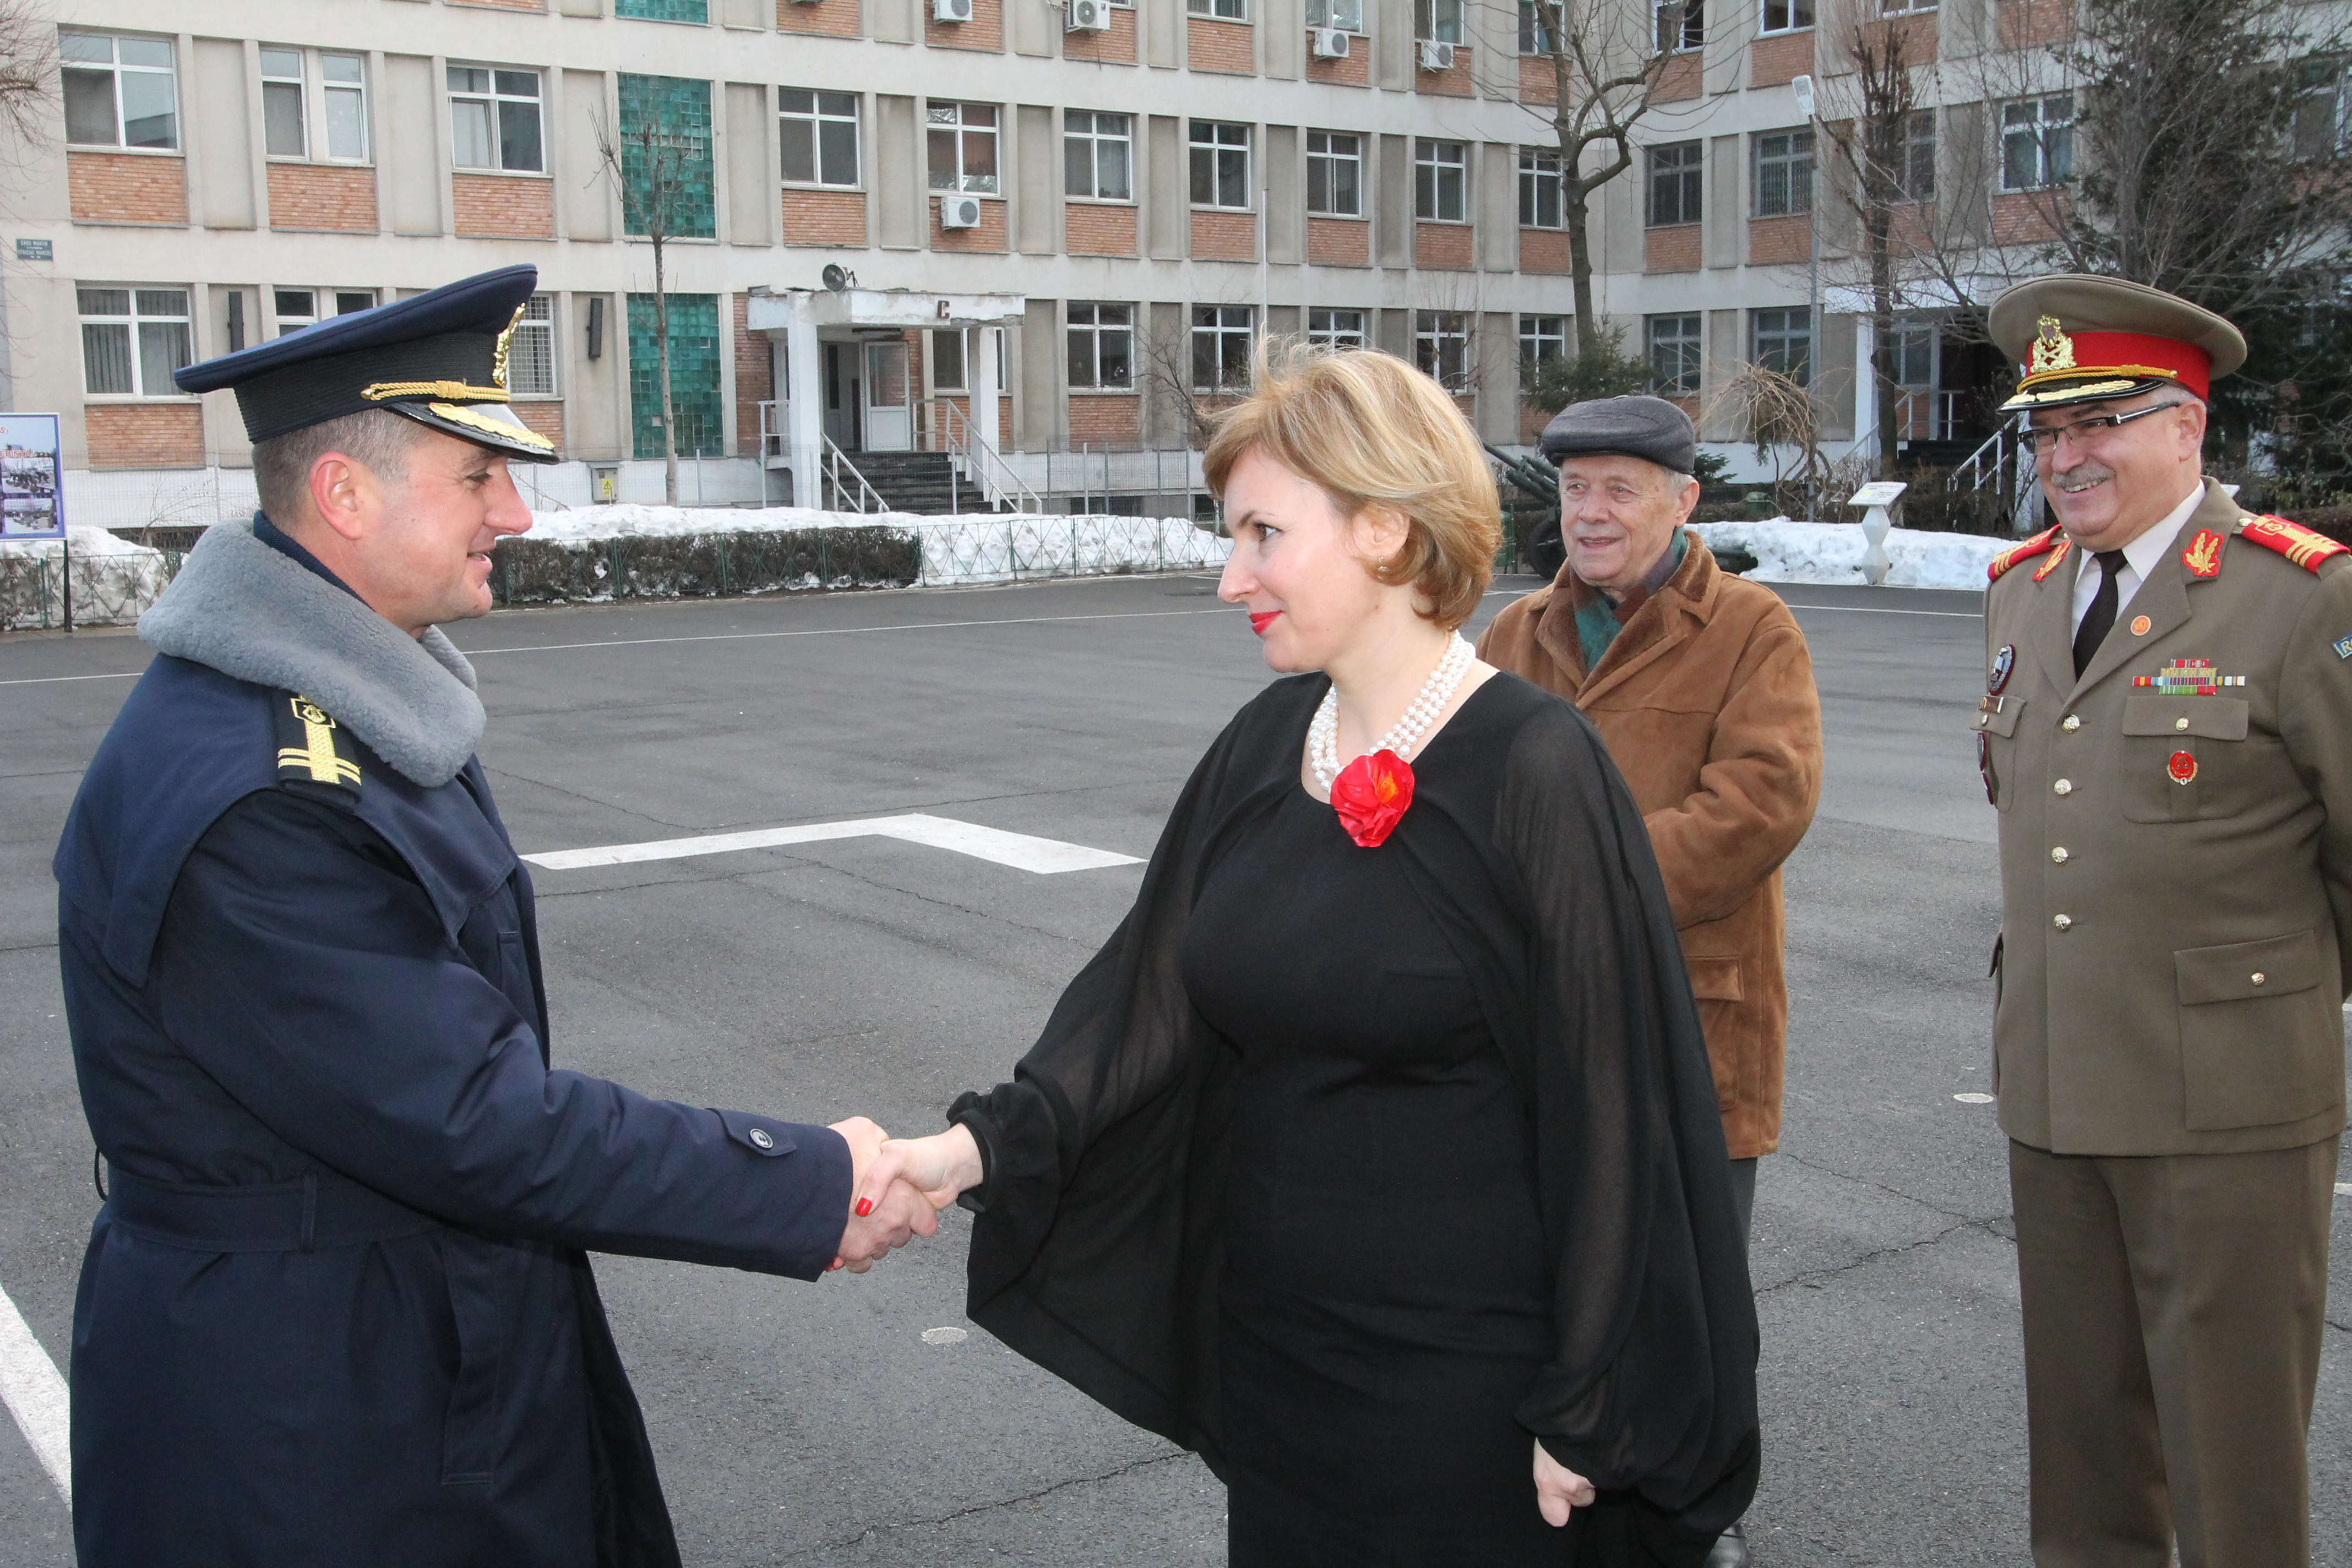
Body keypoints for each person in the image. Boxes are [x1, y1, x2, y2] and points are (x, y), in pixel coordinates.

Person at [51, 264, 934, 1567]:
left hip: (404, 1352)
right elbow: (471, 1118)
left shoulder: (351, 709)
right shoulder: (259, 793)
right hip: (305, 1420)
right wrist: (809, 1178)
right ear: (344, 495)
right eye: (476, 477)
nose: (514, 512)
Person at [864, 346, 1760, 1565]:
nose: (1233, 576)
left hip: (1469, 1391)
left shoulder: (1536, 766)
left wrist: (1588, 1399)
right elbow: (1147, 1000)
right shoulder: (1266, 739)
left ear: (1386, 531)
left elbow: (1614, 1105)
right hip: (1281, 1360)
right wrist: (968, 1149)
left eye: (1263, 534)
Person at [1975, 273, 2352, 1567]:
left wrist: (2256, 1005)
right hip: (2057, 1091)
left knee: (2233, 1465)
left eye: (2102, 423)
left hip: (2229, 1115)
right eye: (2045, 429)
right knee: (2080, 1461)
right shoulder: (2023, 591)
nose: (2064, 457)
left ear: (2187, 428)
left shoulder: (2298, 597)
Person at [1474, 394, 1821, 1568]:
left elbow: (1761, 804)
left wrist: (1580, 888)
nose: (1593, 511)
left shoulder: (1753, 627)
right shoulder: (1516, 633)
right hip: (1535, 1034)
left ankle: (1694, 1514)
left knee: (1688, 1295)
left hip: (1697, 1032)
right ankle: (1557, 1492)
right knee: (1549, 1282)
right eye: (1576, 488)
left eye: (1621, 488)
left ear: (1685, 501)